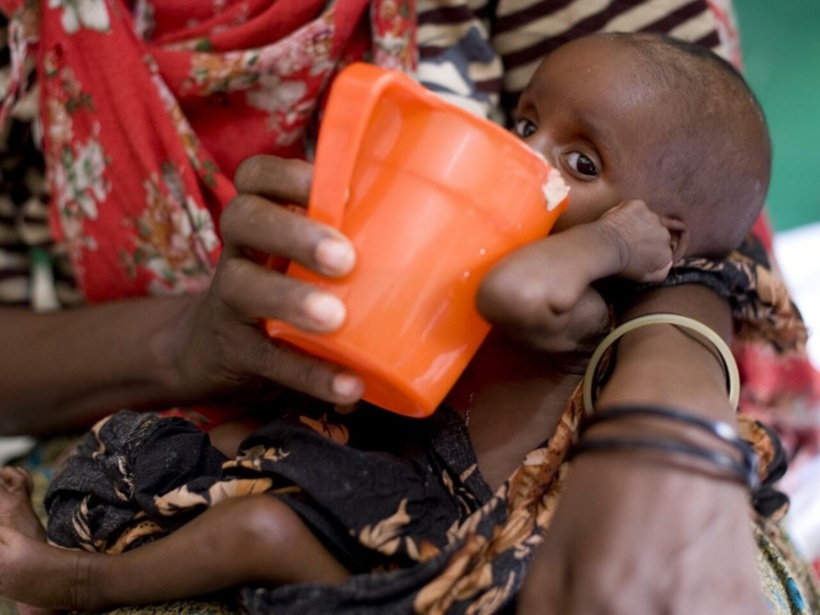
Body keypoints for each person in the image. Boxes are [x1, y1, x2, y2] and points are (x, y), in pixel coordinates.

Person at [0, 31, 813, 614]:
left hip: (470, 544)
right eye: (525, 123)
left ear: (660, 238)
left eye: (582, 163)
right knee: (205, 452)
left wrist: (613, 242)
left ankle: (73, 580)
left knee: (258, 527)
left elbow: (512, 295)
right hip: (398, 478)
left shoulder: (588, 298)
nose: (528, 156)